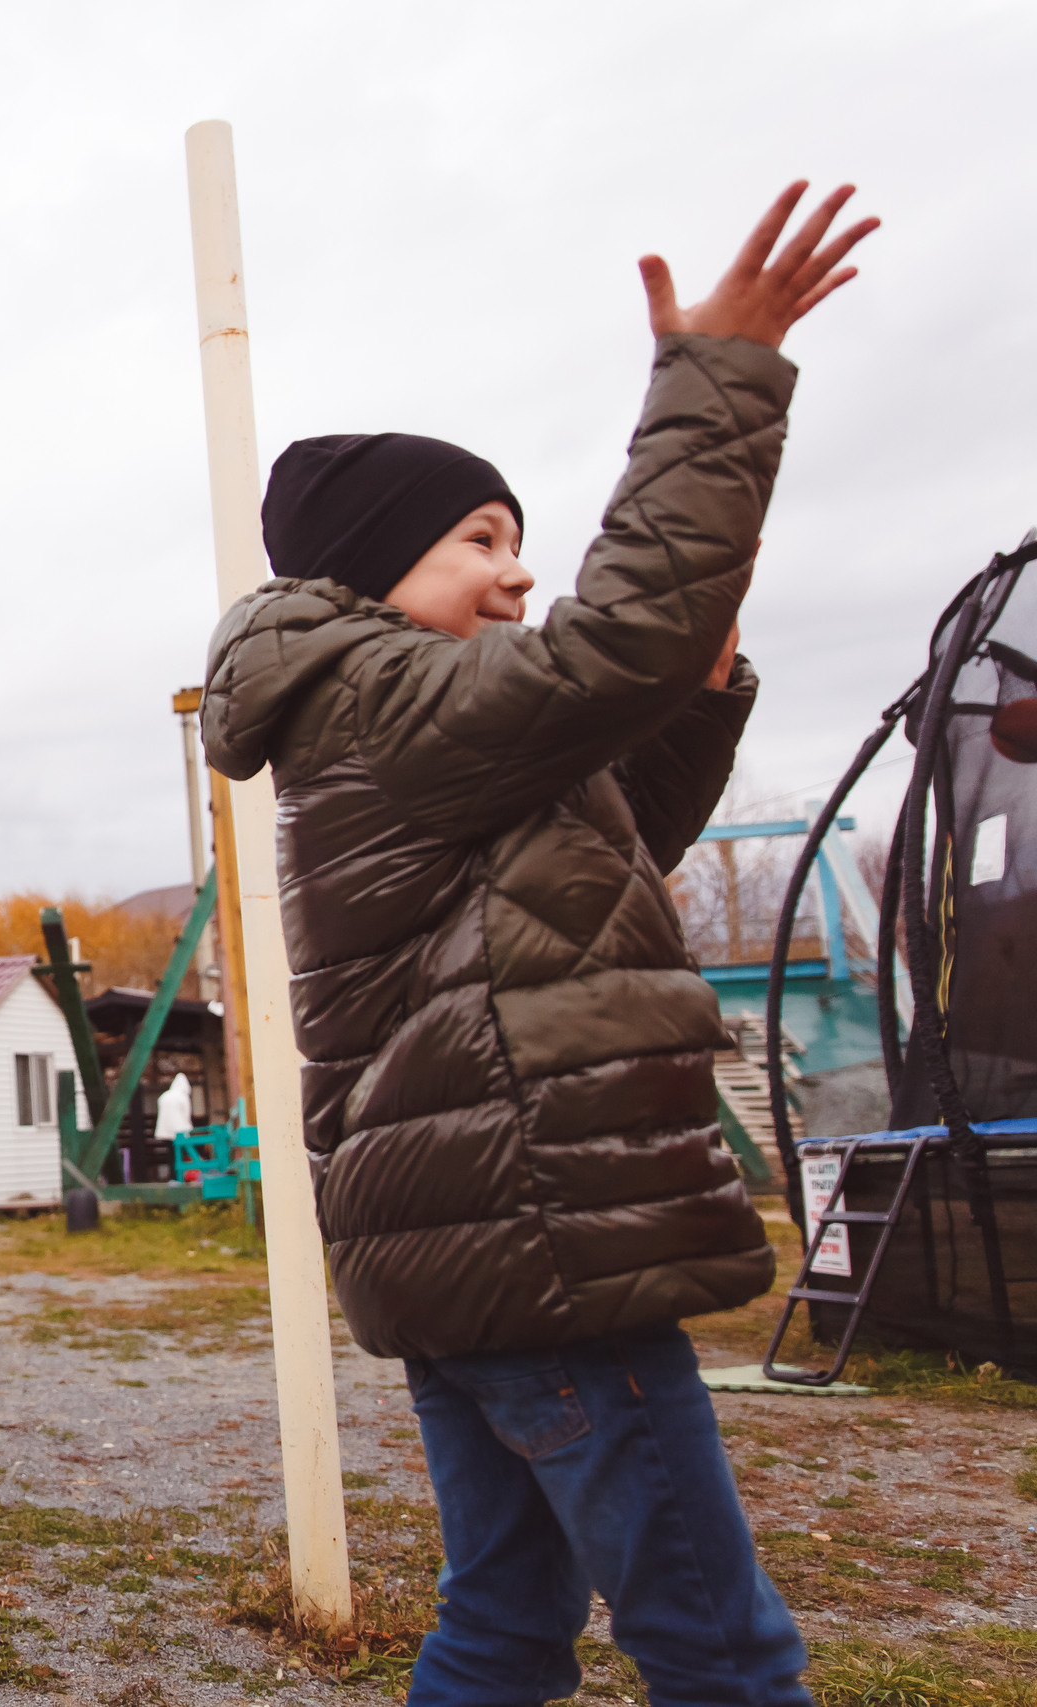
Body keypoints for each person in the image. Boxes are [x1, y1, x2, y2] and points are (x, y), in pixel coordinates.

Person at [200, 183, 877, 1706]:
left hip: (475, 1247)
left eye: (523, 535)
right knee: (716, 1640)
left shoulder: (417, 728)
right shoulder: (388, 695)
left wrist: (694, 683)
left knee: (508, 1626)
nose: (517, 571)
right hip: (541, 1236)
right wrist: (721, 378)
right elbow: (607, 641)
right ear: (371, 574)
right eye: (480, 540)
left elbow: (605, 838)